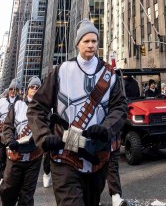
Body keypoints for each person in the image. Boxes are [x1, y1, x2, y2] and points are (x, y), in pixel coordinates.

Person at [31, 20, 127, 206]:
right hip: (64, 153)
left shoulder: (110, 74)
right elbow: (37, 107)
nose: (91, 45)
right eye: (86, 41)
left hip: (97, 155)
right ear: (77, 44)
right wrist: (44, 136)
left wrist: (106, 129)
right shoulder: (61, 71)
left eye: (94, 41)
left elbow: (120, 107)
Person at [0, 77, 43, 206]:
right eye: (32, 87)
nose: (34, 89)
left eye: (37, 87)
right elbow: (7, 126)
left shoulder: (45, 108)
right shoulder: (17, 105)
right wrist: (10, 140)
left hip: (34, 157)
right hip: (15, 154)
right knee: (7, 190)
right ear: (27, 89)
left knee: (27, 195)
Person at [0, 80, 22, 199]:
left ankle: (5, 184)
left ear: (19, 91)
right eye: (11, 89)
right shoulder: (0, 101)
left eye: (16, 89)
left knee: (9, 163)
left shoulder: (21, 103)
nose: (13, 91)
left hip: (13, 136)